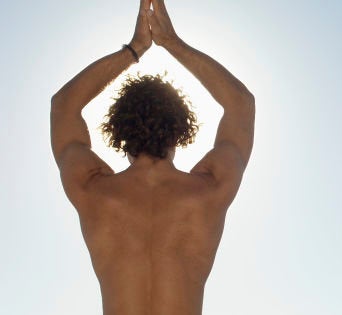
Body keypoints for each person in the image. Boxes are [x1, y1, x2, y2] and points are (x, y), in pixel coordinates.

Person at [50, 0, 255, 314]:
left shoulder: (93, 189)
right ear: (179, 132)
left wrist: (134, 49)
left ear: (120, 134)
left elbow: (64, 105)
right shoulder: (210, 188)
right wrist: (171, 42)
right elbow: (240, 103)